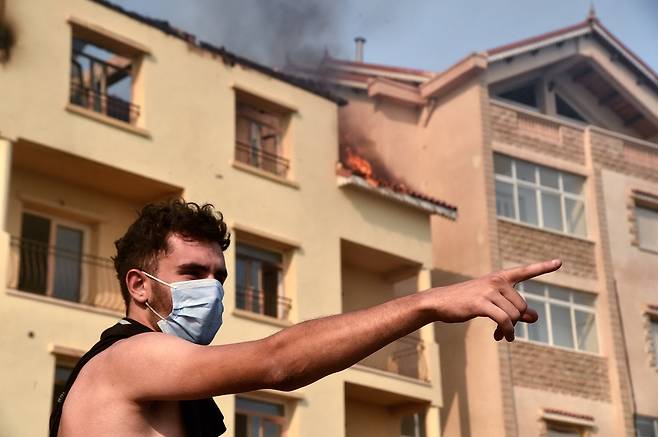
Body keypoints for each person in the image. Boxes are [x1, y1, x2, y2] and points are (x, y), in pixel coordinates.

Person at [50, 199, 562, 437]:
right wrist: (426, 304)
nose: (210, 289)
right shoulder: (126, 359)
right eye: (191, 272)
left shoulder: (173, 387)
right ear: (138, 285)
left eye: (219, 276)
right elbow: (280, 363)